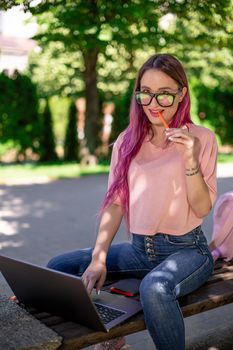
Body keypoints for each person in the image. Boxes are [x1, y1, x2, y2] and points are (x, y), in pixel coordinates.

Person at [47, 54, 217, 350]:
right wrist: (98, 257)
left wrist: (190, 159)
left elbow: (202, 208)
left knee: (155, 287)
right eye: (146, 93)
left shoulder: (201, 139)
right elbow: (115, 203)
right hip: (139, 250)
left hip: (188, 251)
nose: (153, 103)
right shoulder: (128, 141)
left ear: (181, 94)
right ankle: (111, 337)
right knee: (59, 267)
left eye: (164, 94)